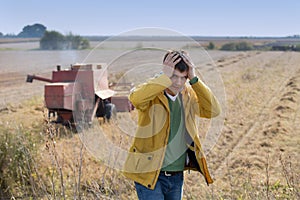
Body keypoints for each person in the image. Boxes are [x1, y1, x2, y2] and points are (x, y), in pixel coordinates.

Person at [123, 50, 221, 200]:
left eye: (183, 78)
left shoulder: (188, 96)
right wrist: (164, 77)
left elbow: (213, 111)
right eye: (174, 76)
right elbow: (136, 99)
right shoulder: (152, 93)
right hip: (150, 174)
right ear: (166, 72)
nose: (178, 83)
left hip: (176, 176)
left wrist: (194, 78)